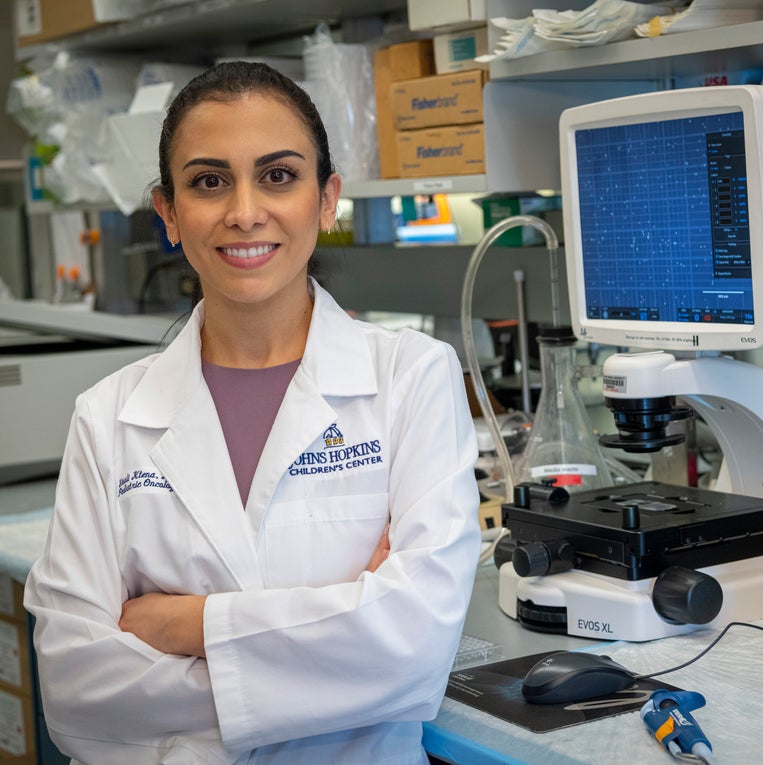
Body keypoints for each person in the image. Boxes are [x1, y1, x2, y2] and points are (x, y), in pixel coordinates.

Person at [24, 61, 481, 765]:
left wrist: (188, 623)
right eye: (209, 181)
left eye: (278, 175)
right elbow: (76, 690)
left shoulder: (410, 379)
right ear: (169, 214)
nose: (244, 211)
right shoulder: (108, 416)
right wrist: (340, 649)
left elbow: (413, 647)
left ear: (326, 199)